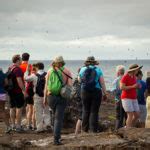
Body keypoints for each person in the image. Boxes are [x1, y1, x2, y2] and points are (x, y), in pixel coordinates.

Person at [44, 56, 72, 145]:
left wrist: (45, 98)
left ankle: (54, 135)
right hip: (61, 97)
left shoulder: (49, 71)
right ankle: (56, 139)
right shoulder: (67, 71)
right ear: (62, 62)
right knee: (58, 119)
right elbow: (70, 85)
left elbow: (46, 86)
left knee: (54, 115)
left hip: (50, 96)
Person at [78, 56, 107, 133]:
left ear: (87, 62)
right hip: (96, 91)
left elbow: (79, 80)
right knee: (94, 111)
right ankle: (93, 130)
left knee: (85, 110)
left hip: (84, 91)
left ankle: (84, 130)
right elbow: (102, 83)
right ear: (94, 62)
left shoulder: (82, 69)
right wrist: (105, 93)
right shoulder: (98, 70)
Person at [8, 54, 27, 132]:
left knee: (12, 108)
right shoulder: (18, 69)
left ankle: (13, 125)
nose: (21, 61)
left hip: (10, 91)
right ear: (17, 60)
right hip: (17, 92)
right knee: (19, 108)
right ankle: (18, 126)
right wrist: (24, 90)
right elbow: (19, 81)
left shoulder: (10, 68)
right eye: (20, 60)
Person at [32, 62, 50, 133]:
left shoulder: (34, 76)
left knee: (38, 112)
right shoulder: (47, 74)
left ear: (37, 67)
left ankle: (39, 128)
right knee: (46, 110)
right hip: (46, 94)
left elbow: (25, 78)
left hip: (37, 95)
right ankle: (47, 125)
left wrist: (27, 71)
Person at [112, 65, 126, 129]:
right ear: (124, 72)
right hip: (126, 100)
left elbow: (114, 91)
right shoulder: (126, 79)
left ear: (117, 72)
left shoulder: (116, 80)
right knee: (127, 117)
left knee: (118, 117)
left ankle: (117, 131)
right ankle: (127, 130)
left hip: (118, 100)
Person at [24, 64, 37, 130]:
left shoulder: (29, 76)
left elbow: (25, 81)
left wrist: (26, 71)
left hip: (28, 92)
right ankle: (34, 125)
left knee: (29, 109)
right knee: (34, 110)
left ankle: (28, 124)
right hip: (33, 93)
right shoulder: (36, 76)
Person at [0, 68, 11, 133]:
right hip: (2, 93)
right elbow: (6, 83)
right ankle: (8, 126)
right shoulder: (3, 74)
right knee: (2, 110)